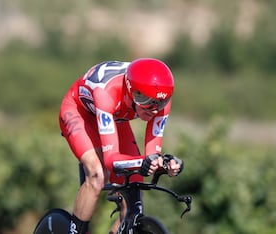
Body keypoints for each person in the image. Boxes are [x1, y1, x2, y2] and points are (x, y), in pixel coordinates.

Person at [59, 58, 184, 234]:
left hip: (116, 117)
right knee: (98, 175)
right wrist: (144, 162)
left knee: (135, 183)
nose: (153, 109)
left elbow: (152, 153)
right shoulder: (107, 93)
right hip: (80, 113)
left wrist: (166, 164)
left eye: (159, 103)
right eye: (144, 99)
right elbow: (111, 160)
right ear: (130, 89)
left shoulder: (160, 99)